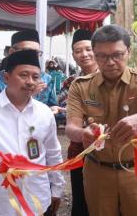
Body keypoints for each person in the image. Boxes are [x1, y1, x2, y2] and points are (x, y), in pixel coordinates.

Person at [65, 24, 137, 216]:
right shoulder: (81, 86)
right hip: (98, 171)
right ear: (95, 55)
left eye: (117, 55)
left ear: (128, 52)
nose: (110, 62)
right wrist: (83, 134)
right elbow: (71, 126)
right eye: (102, 56)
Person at [0, 50, 65, 216]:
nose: (30, 82)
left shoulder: (44, 113)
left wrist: (57, 189)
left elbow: (53, 153)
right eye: (23, 75)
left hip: (38, 198)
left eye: (35, 77)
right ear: (6, 78)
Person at [53, 29, 98, 216]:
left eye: (88, 49)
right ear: (73, 55)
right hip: (79, 148)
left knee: (103, 199)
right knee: (80, 198)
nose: (84, 54)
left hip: (106, 151)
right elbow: (62, 107)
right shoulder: (71, 82)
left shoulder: (110, 78)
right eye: (78, 50)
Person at [0, 30, 58, 108]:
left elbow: (52, 107)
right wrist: (30, 95)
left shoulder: (46, 79)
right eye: (27, 51)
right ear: (12, 52)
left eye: (36, 53)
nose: (31, 56)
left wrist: (55, 110)